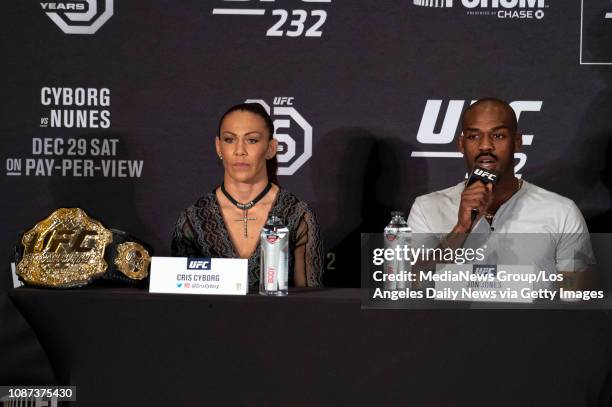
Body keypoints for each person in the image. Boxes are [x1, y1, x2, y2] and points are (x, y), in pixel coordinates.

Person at [408, 98, 595, 289]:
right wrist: (461, 228)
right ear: (461, 144)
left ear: (517, 142)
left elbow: (577, 300)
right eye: (473, 136)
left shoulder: (561, 211)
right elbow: (414, 286)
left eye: (498, 136)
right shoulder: (426, 208)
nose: (485, 146)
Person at [172, 102, 323, 287]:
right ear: (219, 147)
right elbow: (180, 301)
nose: (239, 151)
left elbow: (310, 302)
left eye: (252, 140)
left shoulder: (298, 215)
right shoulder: (193, 218)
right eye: (230, 139)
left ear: (271, 148)